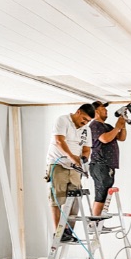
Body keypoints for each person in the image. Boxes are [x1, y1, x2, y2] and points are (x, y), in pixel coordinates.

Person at [45, 103, 95, 241]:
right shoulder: (63, 120)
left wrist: (84, 158)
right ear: (78, 112)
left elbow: (86, 148)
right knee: (57, 199)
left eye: (88, 121)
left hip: (75, 168)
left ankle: (68, 231)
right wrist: (72, 157)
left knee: (74, 200)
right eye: (84, 119)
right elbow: (59, 141)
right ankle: (58, 232)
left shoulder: (86, 129)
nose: (85, 123)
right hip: (58, 165)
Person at [89, 101, 127, 216]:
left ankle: (97, 221)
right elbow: (105, 139)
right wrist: (117, 127)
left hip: (107, 165)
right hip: (100, 164)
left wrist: (122, 126)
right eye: (103, 109)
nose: (106, 111)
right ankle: (94, 223)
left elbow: (121, 137)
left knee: (104, 194)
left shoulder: (107, 126)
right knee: (100, 195)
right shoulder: (94, 125)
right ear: (96, 111)